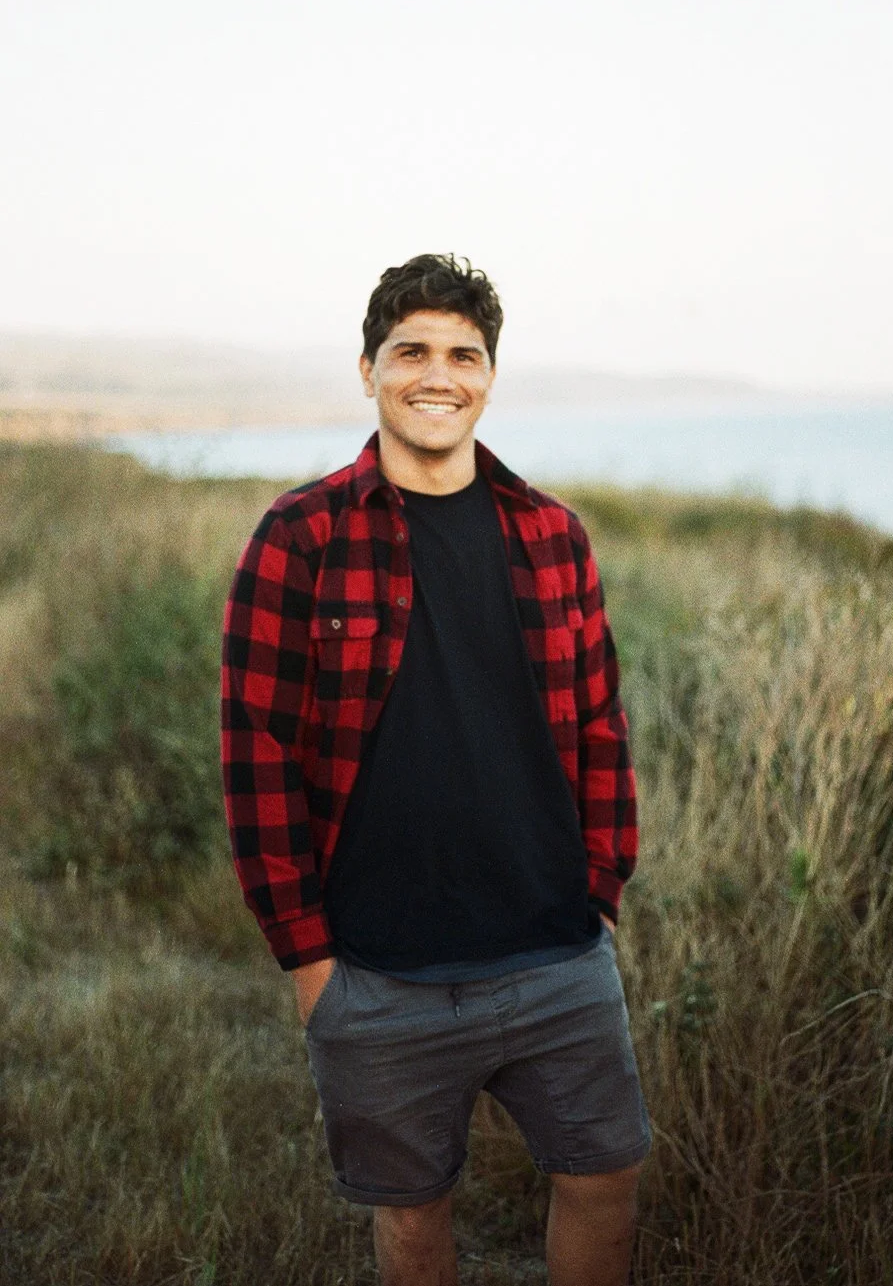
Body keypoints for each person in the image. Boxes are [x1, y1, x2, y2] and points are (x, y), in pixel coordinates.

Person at [221, 254, 650, 1286]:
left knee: (604, 1179)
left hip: (556, 952)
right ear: (367, 369)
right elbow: (256, 752)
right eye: (410, 351)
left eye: (463, 354)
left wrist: (600, 893)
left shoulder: (551, 535)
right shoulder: (301, 537)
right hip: (378, 972)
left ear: (490, 376)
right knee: (413, 1226)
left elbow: (599, 725)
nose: (437, 374)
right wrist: (308, 961)